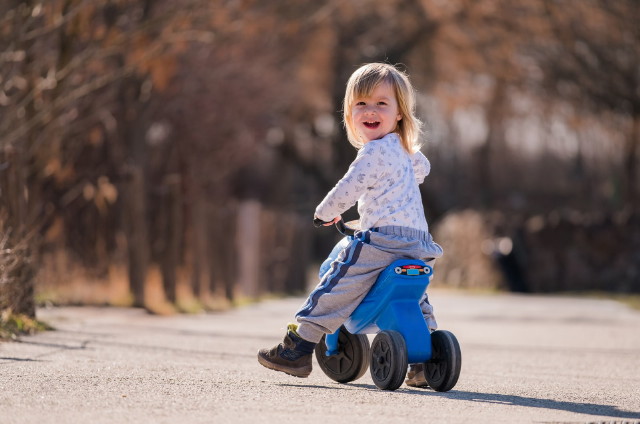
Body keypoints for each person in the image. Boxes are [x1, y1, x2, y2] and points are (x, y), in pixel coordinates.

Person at [257, 63, 443, 387]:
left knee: (338, 281)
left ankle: (299, 347)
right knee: (414, 293)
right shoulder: (405, 151)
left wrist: (325, 212)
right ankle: (427, 358)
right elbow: (421, 169)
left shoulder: (373, 151)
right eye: (361, 104)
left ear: (400, 112)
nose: (370, 111)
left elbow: (350, 187)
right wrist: (377, 209)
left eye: (381, 104)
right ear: (349, 112)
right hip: (418, 242)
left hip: (383, 240)